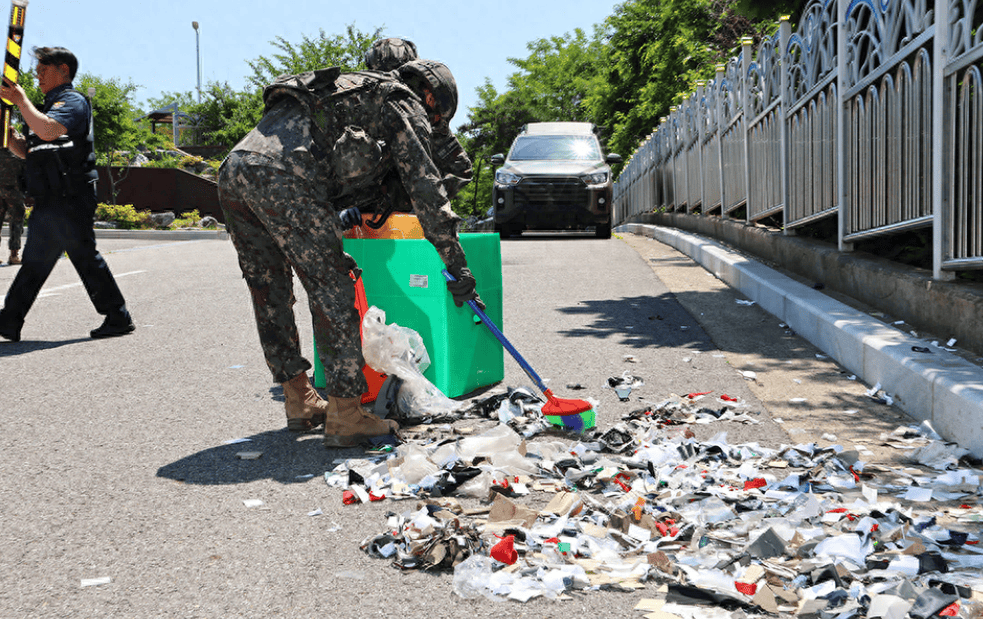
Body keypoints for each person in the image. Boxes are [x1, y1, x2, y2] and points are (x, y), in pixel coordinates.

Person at [218, 58, 483, 447]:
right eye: (438, 116)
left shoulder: (357, 87)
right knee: (333, 289)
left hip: (234, 169)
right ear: (430, 95)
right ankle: (346, 413)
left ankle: (299, 398)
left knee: (269, 289)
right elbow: (427, 191)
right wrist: (457, 267)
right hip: (286, 175)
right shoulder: (403, 102)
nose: (433, 123)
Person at [0, 46, 134, 342]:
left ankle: (118, 316)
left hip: (71, 195)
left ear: (64, 70)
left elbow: (49, 132)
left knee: (80, 257)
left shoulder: (72, 101)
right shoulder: (44, 107)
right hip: (50, 197)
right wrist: (9, 137)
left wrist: (21, 102)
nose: (38, 78)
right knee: (39, 260)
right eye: (36, 73)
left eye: (43, 71)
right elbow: (31, 149)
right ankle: (9, 321)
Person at [0, 148, 25, 265]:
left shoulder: (16, 148)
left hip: (14, 192)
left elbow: (26, 172)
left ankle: (14, 255)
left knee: (17, 223)